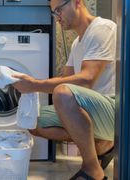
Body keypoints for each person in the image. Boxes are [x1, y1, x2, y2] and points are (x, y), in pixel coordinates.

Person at [12, 0, 116, 179]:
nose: (56, 17)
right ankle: (102, 145)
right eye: (54, 13)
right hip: (92, 110)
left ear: (77, 2)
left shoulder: (103, 28)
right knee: (31, 120)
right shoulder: (77, 43)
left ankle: (93, 170)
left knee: (62, 93)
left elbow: (86, 80)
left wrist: (33, 85)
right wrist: (28, 83)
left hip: (114, 110)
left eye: (59, 10)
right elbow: (65, 80)